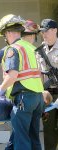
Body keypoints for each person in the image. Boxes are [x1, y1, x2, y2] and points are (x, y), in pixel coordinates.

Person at [0, 14, 44, 150]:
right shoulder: (29, 47)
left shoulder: (13, 49)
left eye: (5, 34)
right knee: (34, 138)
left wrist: (0, 90)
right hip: (37, 97)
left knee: (21, 139)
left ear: (9, 32)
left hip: (23, 99)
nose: (5, 38)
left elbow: (12, 76)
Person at [38, 18, 58, 150]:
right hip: (47, 95)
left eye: (47, 31)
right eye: (42, 32)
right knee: (48, 129)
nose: (44, 34)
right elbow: (38, 74)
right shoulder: (39, 51)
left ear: (55, 30)